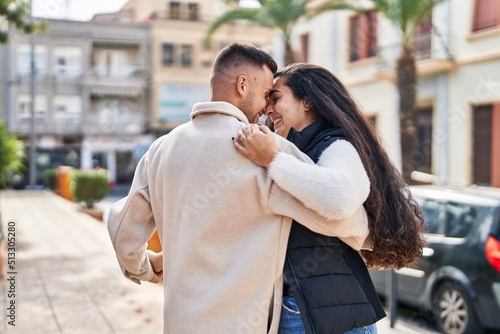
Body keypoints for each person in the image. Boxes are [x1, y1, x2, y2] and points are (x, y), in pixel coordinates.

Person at [106, 44, 372, 334]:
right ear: (242, 85)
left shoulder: (160, 151)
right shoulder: (265, 151)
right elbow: (333, 214)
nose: (266, 109)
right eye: (266, 94)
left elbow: (122, 233)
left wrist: (145, 266)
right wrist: (373, 238)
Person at [234, 63, 426, 334]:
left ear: (307, 101)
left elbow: (340, 198)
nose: (268, 109)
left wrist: (272, 160)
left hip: (322, 313)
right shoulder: (303, 148)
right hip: (314, 309)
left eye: (276, 99)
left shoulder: (336, 145)